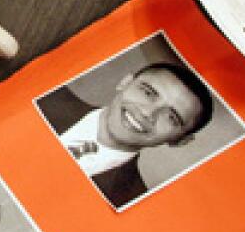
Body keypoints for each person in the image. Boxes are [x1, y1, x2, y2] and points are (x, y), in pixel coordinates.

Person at [36, 62, 214, 208]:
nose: (147, 113)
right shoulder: (44, 95)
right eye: (148, 93)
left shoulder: (128, 203)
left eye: (171, 118)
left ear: (180, 141)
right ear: (125, 82)